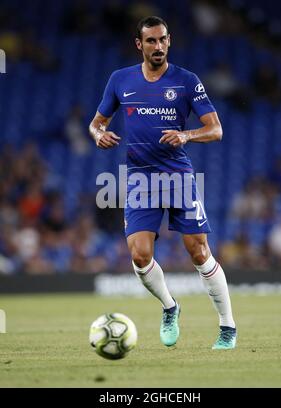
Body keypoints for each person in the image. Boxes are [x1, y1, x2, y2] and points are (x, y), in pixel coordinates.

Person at [89, 16, 236, 349]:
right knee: (139, 256)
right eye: (151, 41)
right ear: (139, 44)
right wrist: (99, 134)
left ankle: (227, 327)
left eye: (163, 40)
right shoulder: (120, 80)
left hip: (178, 175)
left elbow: (216, 129)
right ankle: (170, 306)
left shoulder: (186, 81)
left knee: (198, 251)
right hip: (140, 177)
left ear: (169, 41)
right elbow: (95, 123)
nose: (158, 46)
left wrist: (186, 135)